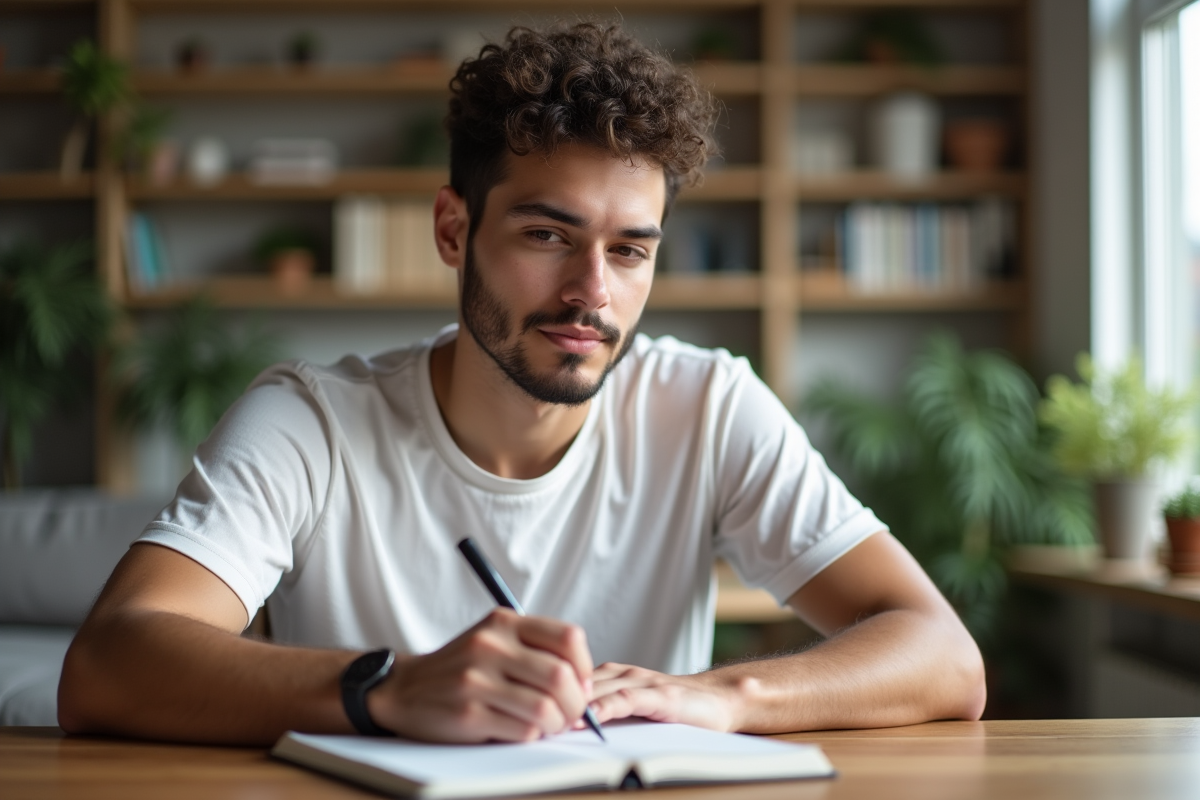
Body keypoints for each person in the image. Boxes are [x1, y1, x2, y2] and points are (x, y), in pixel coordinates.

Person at [58, 22, 985, 746]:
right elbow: (106, 665)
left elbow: (944, 657)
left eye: (629, 251)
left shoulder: (703, 406)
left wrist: (724, 697)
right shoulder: (311, 422)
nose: (593, 292)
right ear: (455, 231)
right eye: (548, 236)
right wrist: (386, 689)